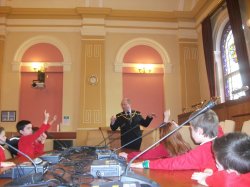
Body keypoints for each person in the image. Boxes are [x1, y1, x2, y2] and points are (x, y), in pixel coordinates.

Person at [131, 109, 223, 170]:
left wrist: (146, 164)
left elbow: (174, 163)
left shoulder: (201, 152)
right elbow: (218, 127)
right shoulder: (222, 140)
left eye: (191, 128)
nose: (190, 131)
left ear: (199, 131)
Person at [119, 110, 191, 160]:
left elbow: (146, 154)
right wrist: (166, 117)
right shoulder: (186, 145)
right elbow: (167, 129)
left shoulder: (165, 147)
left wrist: (128, 155)